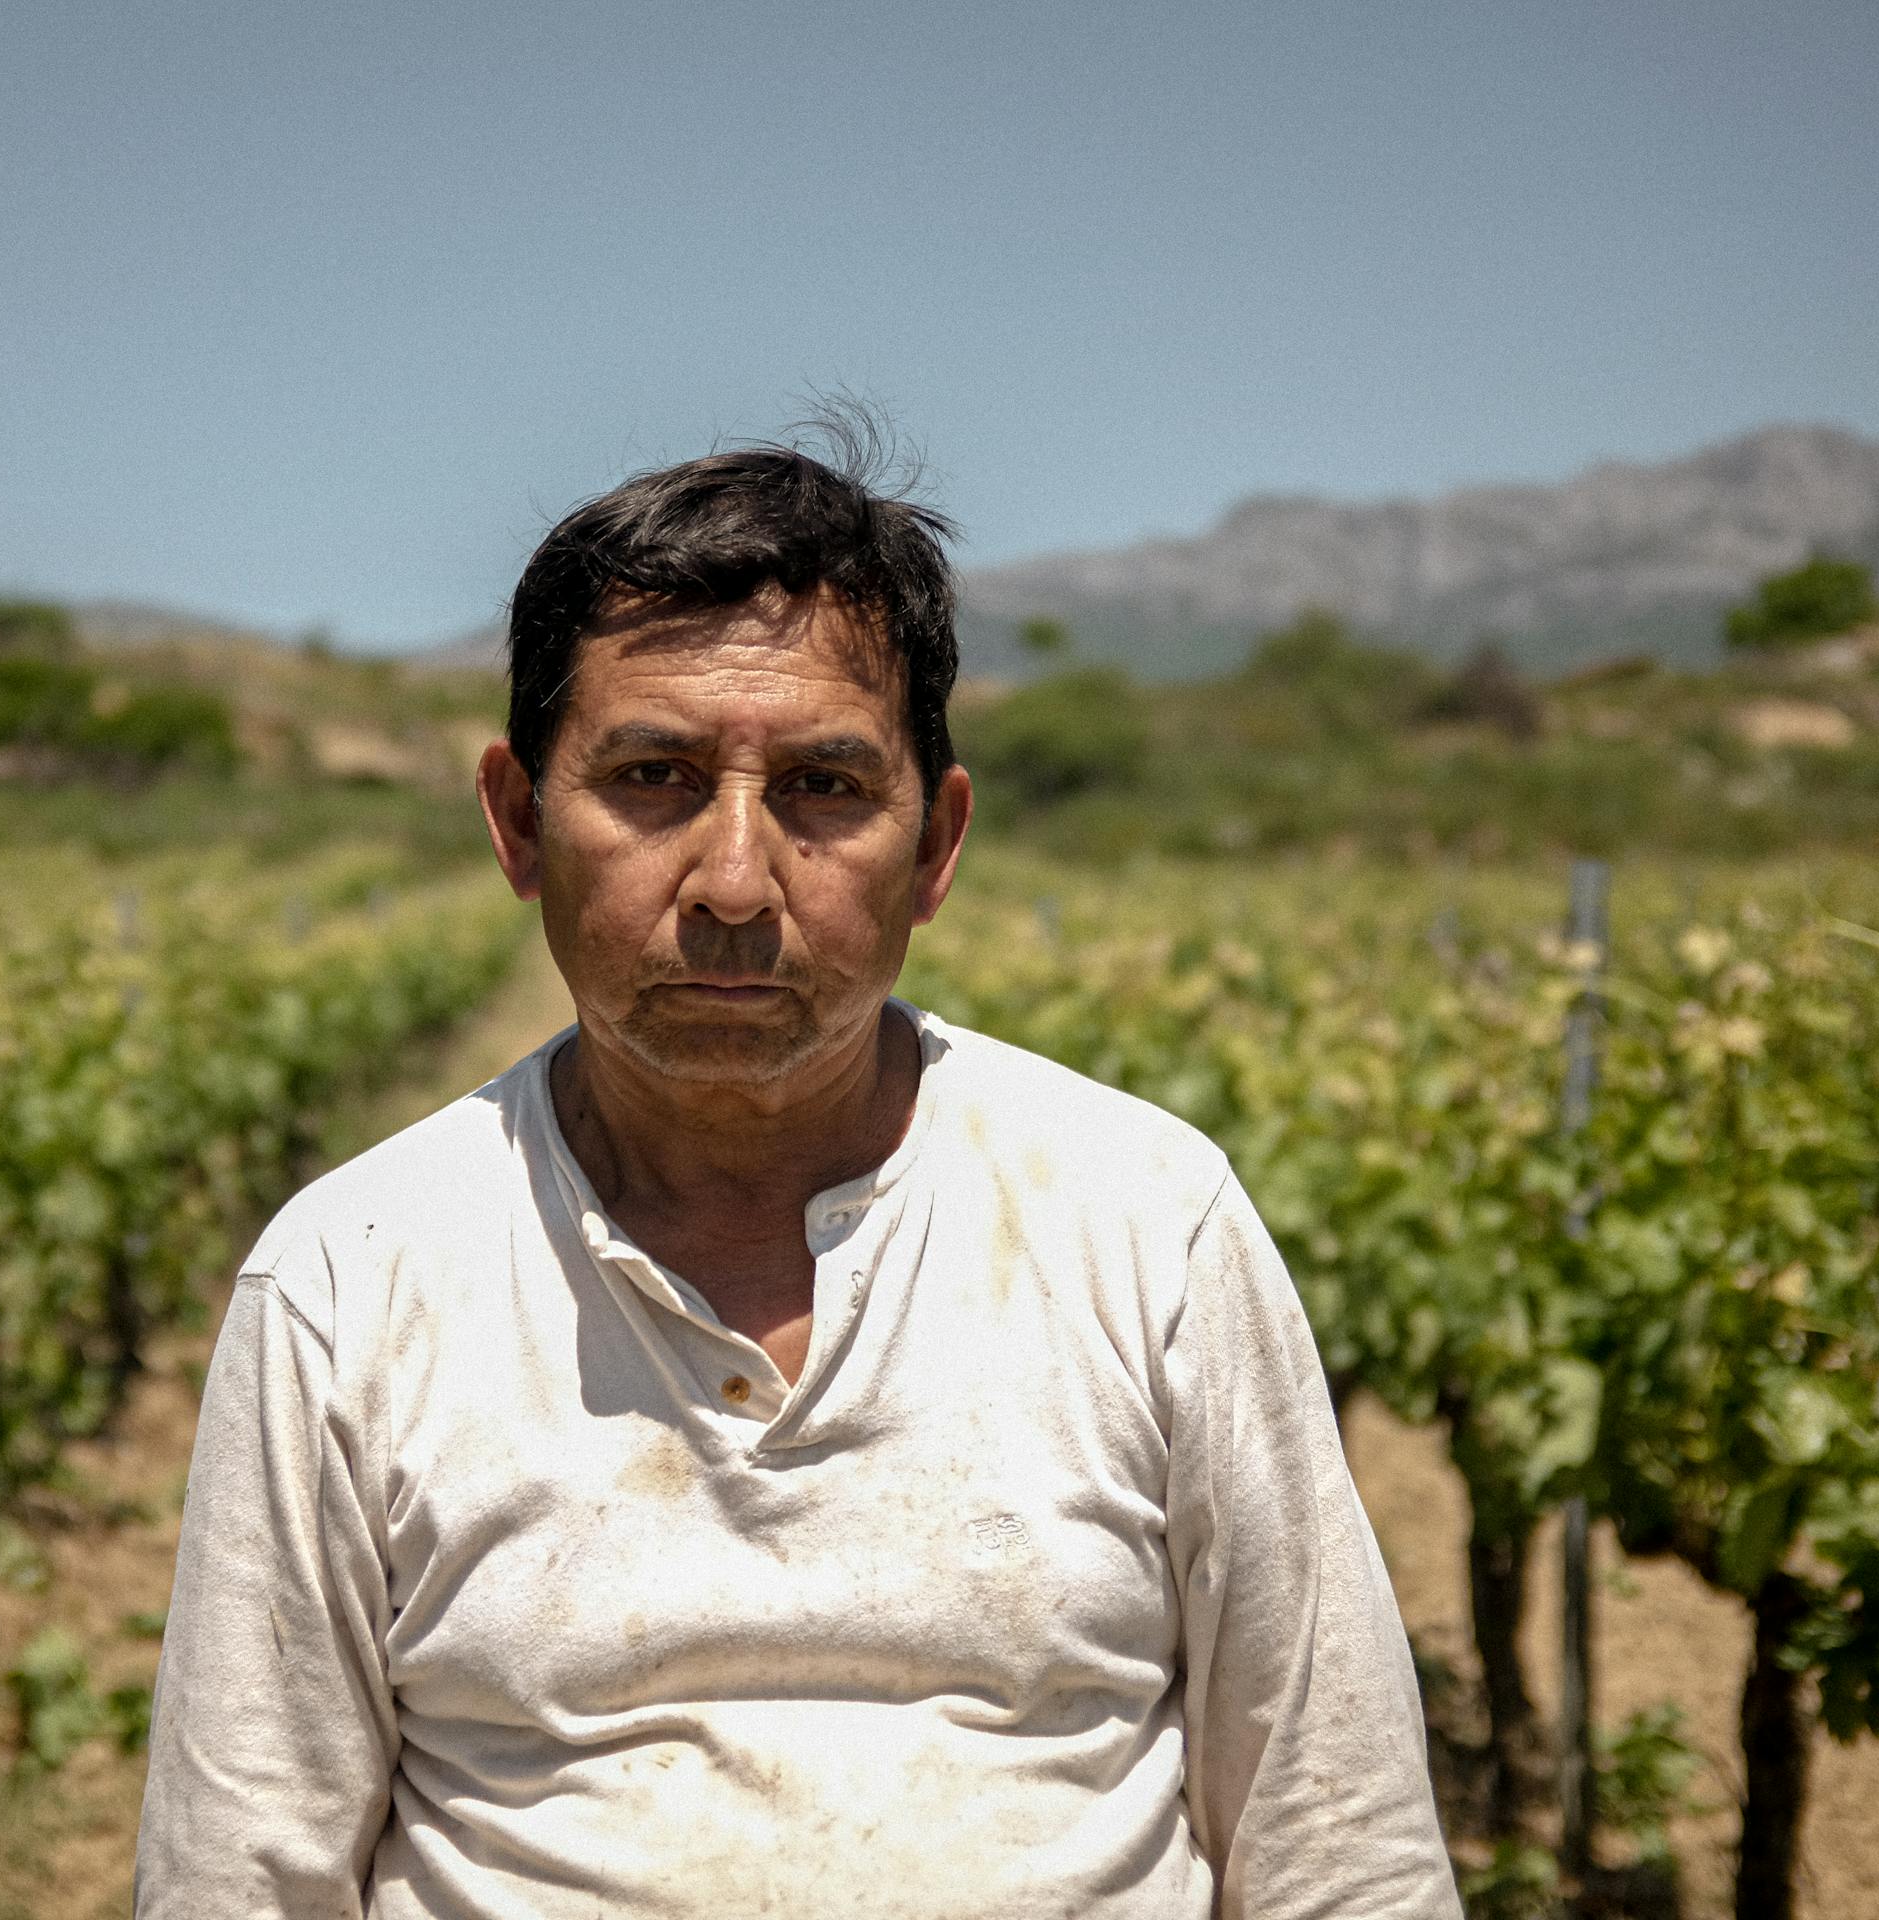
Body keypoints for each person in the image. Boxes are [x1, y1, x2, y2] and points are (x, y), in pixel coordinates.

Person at [133, 430, 1460, 1919]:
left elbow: (1335, 1840)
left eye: (826, 787)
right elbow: (239, 1872)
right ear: (517, 823)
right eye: (653, 777)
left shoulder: (1147, 1225)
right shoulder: (352, 1276)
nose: (737, 884)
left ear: (937, 845)